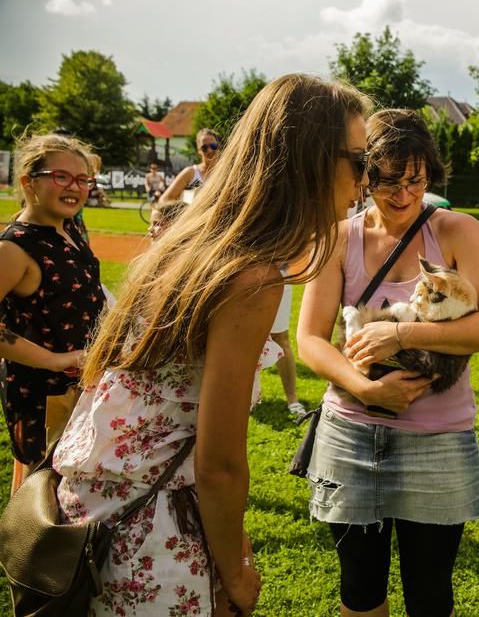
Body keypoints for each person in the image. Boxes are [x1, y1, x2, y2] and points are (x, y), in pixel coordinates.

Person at [52, 74, 372, 615]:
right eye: (360, 162)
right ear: (311, 161)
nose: (366, 180)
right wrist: (235, 572)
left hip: (98, 517)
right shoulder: (252, 277)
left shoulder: (196, 245)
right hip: (150, 532)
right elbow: (220, 463)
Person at [297, 108, 479, 617]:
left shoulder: (457, 231)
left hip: (438, 440)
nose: (403, 195)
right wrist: (366, 389)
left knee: (431, 592)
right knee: (360, 588)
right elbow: (310, 339)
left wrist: (401, 334)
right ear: (362, 175)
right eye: (386, 181)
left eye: (415, 179)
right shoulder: (338, 236)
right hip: (349, 434)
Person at [0, 133, 104, 494]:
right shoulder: (15, 247)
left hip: (81, 383)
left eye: (83, 179)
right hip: (43, 394)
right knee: (40, 492)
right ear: (29, 182)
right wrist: (54, 360)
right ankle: (21, 552)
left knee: (67, 486)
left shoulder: (70, 228)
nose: (74, 187)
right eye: (61, 177)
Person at [270, 264, 305, 416]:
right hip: (243, 273)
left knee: (280, 337)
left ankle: (292, 398)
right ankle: (248, 397)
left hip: (279, 275)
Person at [162, 128, 222, 203]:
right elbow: (164, 199)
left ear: (218, 146)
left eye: (213, 146)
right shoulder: (191, 172)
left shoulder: (225, 171)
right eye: (204, 148)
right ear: (199, 151)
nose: (210, 150)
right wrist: (184, 208)